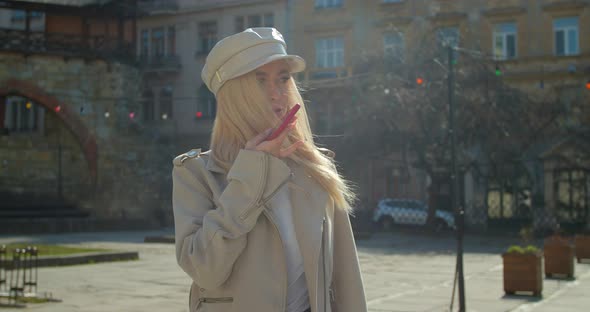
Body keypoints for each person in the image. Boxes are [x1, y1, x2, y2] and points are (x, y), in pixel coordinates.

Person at [172, 27, 367, 312]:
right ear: (234, 94)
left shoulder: (316, 168)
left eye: (283, 78)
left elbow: (345, 276)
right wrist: (252, 173)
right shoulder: (196, 172)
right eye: (259, 80)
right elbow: (205, 270)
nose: (276, 93)